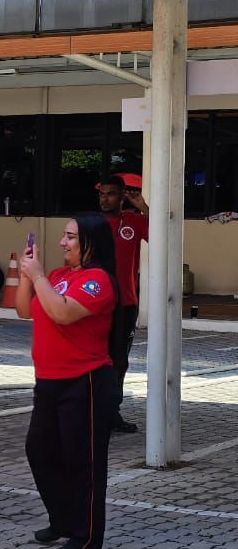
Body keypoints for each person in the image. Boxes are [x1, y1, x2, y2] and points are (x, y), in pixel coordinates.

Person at [15, 212, 119, 549]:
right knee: (40, 450)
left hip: (84, 380)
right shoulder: (59, 276)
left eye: (71, 237)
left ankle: (85, 540)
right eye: (64, 236)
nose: (63, 243)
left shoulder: (97, 280)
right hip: (49, 381)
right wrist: (28, 275)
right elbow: (24, 311)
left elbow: (63, 313)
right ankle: (62, 519)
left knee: (83, 463)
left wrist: (38, 276)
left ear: (92, 242)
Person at [95, 174, 148, 435]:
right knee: (94, 358)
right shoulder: (91, 225)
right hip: (94, 304)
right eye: (102, 194)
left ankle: (111, 413)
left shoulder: (135, 221)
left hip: (125, 304)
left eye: (111, 194)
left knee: (118, 360)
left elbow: (163, 237)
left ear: (123, 196)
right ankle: (91, 412)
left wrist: (144, 208)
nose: (105, 199)